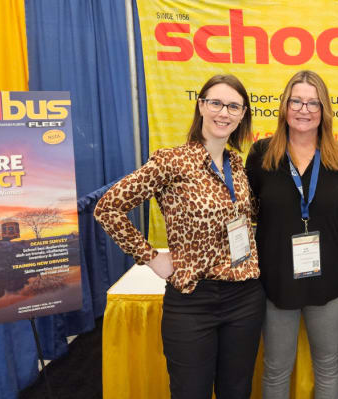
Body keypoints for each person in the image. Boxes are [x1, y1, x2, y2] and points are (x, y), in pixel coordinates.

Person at [94, 74, 265, 399]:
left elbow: (254, 214)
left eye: (233, 106)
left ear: (242, 114)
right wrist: (149, 257)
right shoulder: (172, 161)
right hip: (193, 300)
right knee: (190, 392)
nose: (223, 113)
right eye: (216, 103)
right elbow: (108, 208)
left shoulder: (237, 164)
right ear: (201, 106)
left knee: (237, 390)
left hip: (245, 297)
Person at [245, 70, 338, 398]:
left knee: (329, 364)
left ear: (324, 110)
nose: (304, 110)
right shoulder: (262, 154)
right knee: (276, 368)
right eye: (297, 101)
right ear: (284, 106)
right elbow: (247, 213)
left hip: (329, 280)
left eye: (313, 103)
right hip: (276, 280)